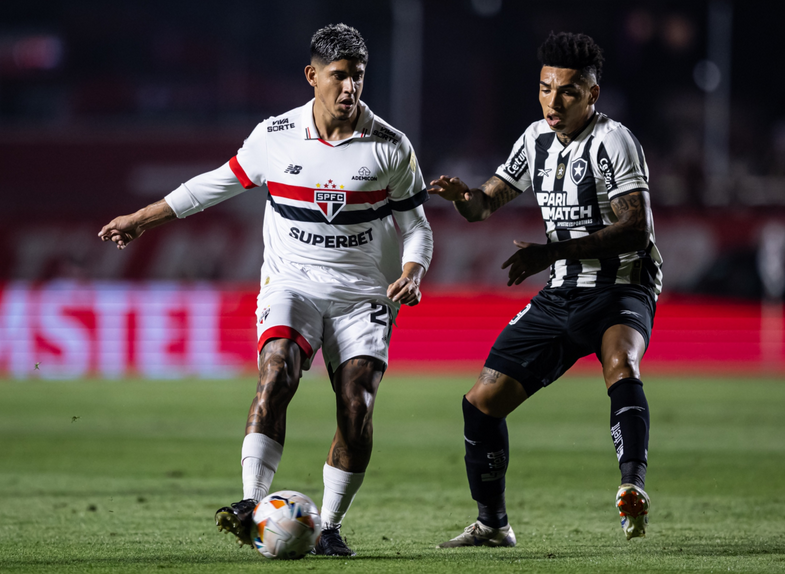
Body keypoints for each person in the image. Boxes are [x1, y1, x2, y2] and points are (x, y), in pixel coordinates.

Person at [98, 23, 433, 557]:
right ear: (313, 76)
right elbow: (213, 184)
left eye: (359, 77)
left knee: (357, 403)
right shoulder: (275, 136)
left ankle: (330, 527)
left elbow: (417, 227)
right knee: (276, 369)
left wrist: (413, 271)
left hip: (363, 294)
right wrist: (143, 217)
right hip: (292, 282)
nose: (350, 89)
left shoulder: (391, 147)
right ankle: (252, 507)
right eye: (339, 76)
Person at [429, 31, 662, 547]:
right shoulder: (534, 139)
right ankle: (492, 524)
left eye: (568, 92)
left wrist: (551, 251)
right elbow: (486, 204)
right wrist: (463, 197)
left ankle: (632, 487)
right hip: (561, 294)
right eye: (545, 89)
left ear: (592, 95)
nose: (553, 102)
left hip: (620, 285)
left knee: (622, 362)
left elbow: (636, 228)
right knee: (480, 404)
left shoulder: (614, 141)